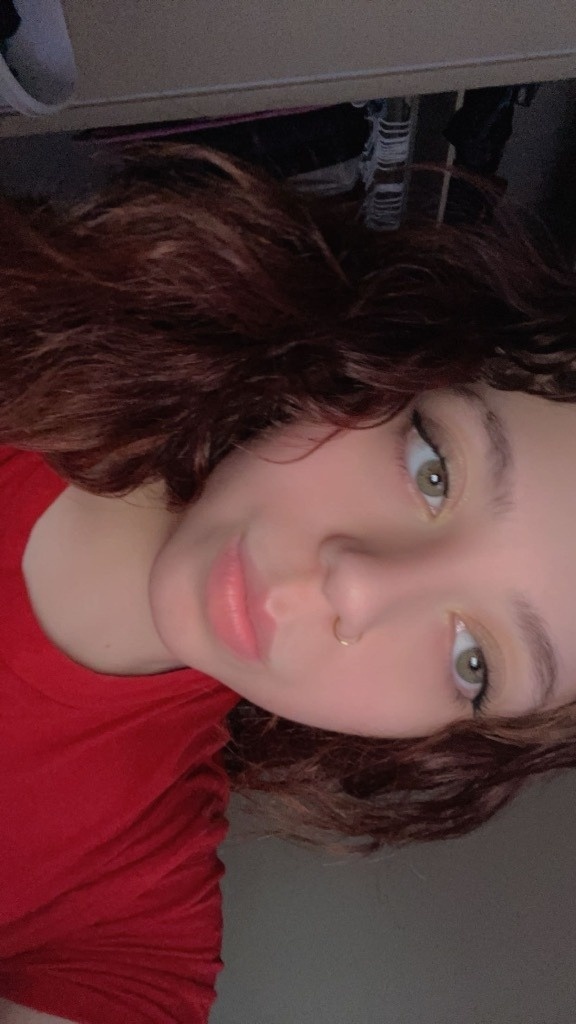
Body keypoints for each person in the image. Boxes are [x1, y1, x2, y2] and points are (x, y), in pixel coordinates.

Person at [0, 143, 575, 1023]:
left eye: (474, 661)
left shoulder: (128, 917)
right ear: (391, 360)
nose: (359, 586)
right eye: (433, 471)